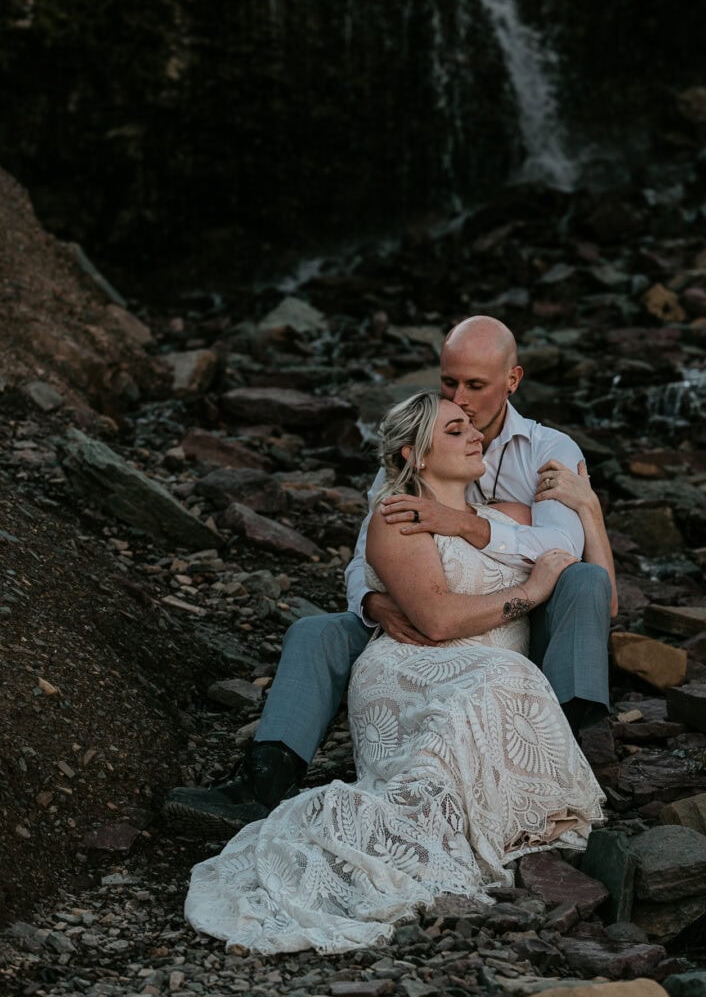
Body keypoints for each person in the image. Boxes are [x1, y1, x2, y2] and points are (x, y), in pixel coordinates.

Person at [182, 392, 606, 955]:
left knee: (503, 677)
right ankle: (268, 784)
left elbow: (591, 587)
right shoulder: (395, 510)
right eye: (455, 430)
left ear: (512, 378)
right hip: (413, 661)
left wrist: (590, 514)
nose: (474, 428)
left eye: (472, 414)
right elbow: (416, 607)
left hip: (486, 662)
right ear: (418, 453)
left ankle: (520, 792)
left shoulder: (520, 503)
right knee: (492, 683)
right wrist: (522, 590)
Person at [164, 315, 615, 837]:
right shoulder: (416, 443)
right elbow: (365, 556)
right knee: (316, 630)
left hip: (519, 622)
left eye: (475, 386)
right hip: (417, 617)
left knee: (585, 582)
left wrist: (463, 524)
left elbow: (561, 548)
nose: (461, 399)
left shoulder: (548, 451)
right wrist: (372, 605)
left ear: (512, 381)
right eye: (449, 382)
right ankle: (261, 783)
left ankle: (559, 752)